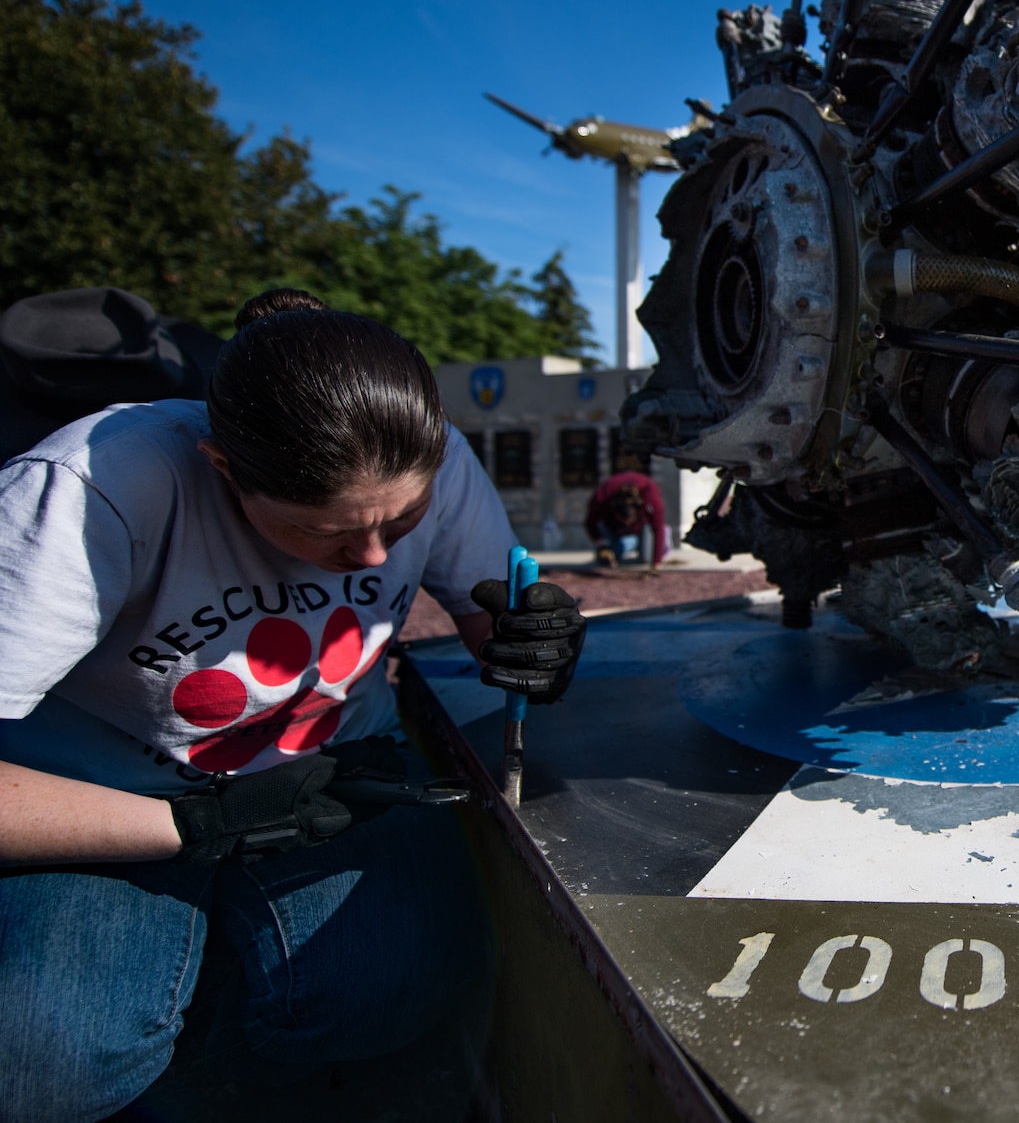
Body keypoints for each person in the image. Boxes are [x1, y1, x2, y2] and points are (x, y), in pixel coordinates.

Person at [0, 288, 587, 1122]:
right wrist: (193, 826)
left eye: (407, 516)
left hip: (336, 779)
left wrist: (536, 643)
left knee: (396, 988)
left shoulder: (438, 459)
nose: (376, 555)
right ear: (223, 467)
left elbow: (490, 612)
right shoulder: (93, 487)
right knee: (42, 1062)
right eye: (327, 532)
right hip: (102, 801)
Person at [585, 459, 667, 572]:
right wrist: (600, 543)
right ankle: (611, 552)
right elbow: (590, 523)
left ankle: (649, 551)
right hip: (613, 526)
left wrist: (656, 564)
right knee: (615, 552)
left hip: (642, 526)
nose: (628, 524)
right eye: (625, 521)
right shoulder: (601, 498)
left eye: (630, 521)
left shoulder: (651, 497)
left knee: (648, 555)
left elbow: (658, 529)